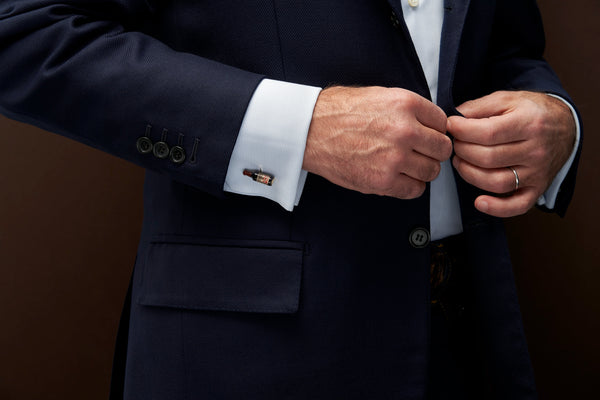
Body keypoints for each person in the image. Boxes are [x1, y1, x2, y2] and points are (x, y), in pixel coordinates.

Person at [0, 0, 581, 399]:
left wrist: (555, 119)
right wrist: (301, 127)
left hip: (468, 332)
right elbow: (24, 28)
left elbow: (504, 46)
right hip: (256, 349)